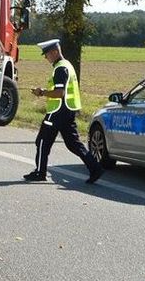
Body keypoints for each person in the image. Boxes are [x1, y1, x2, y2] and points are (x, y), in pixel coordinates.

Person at [23, 39, 104, 184]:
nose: (45, 57)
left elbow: (59, 93)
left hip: (57, 111)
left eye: (47, 54)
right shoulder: (67, 65)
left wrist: (42, 92)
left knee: (42, 141)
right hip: (68, 110)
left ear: (55, 52)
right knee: (73, 143)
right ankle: (95, 168)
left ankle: (40, 172)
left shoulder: (60, 69)